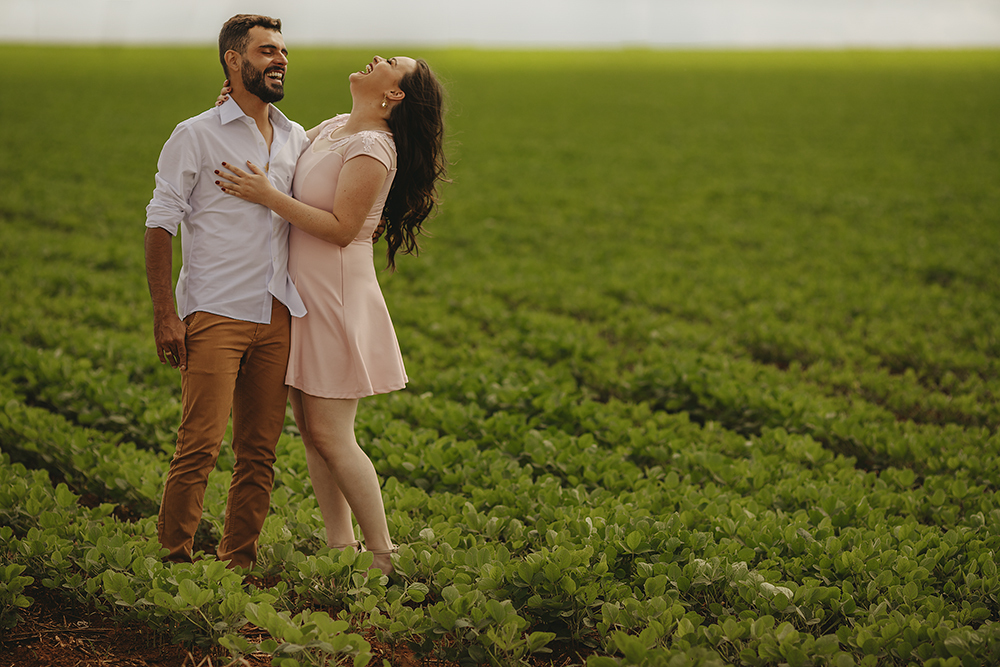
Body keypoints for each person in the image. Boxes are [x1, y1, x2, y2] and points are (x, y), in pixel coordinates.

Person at [215, 54, 446, 575]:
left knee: (332, 433)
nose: (377, 57)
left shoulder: (373, 146)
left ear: (396, 95)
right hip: (308, 294)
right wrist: (238, 111)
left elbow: (343, 227)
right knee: (313, 428)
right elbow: (278, 135)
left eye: (391, 63)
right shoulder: (337, 127)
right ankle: (341, 550)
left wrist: (268, 198)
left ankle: (384, 556)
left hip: (337, 295)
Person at [144, 14, 311, 570]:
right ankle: (174, 564)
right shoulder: (195, 134)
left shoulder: (296, 138)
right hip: (214, 312)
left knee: (259, 455)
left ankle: (237, 564)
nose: (280, 59)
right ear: (233, 61)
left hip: (277, 315)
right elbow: (160, 223)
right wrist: (165, 313)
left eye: (283, 51)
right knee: (198, 448)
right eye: (266, 51)